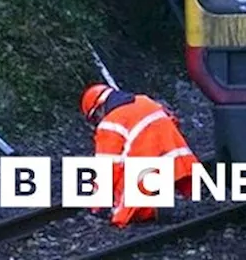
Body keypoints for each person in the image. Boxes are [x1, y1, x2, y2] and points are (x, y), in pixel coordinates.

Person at [80, 83, 200, 227]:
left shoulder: (110, 122)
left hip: (148, 170)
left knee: (123, 207)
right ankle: (172, 195)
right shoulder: (144, 100)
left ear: (98, 109)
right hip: (179, 163)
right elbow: (172, 120)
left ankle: (152, 208)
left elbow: (107, 168)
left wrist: (97, 205)